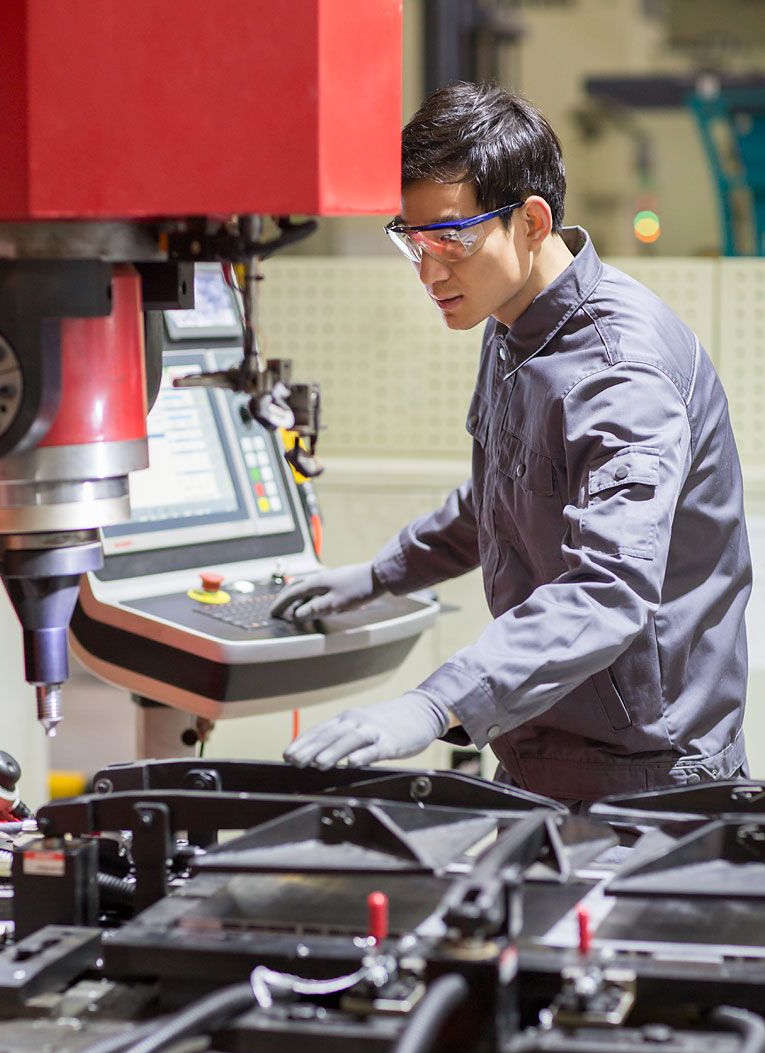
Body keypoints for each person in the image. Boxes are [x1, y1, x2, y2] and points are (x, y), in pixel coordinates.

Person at [271, 81, 751, 808]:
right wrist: (379, 574)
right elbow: (505, 490)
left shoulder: (620, 374)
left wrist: (432, 704)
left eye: (451, 237)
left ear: (531, 220)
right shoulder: (511, 324)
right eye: (413, 240)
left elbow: (606, 589)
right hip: (540, 743)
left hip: (646, 780)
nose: (430, 271)